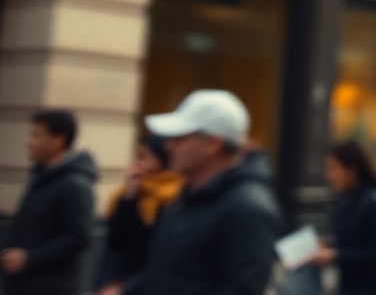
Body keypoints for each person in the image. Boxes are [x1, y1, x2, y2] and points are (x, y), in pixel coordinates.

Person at [123, 89, 282, 295]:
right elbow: (166, 273)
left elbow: (241, 289)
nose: (169, 146)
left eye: (180, 138)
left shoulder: (248, 208)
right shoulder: (189, 194)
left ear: (212, 144)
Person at [0, 109, 96, 295]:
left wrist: (29, 258)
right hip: (23, 285)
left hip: (50, 287)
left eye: (36, 135)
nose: (29, 142)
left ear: (58, 140)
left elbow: (79, 237)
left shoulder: (74, 184)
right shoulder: (43, 177)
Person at [310, 141, 376, 295]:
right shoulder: (347, 201)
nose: (328, 176)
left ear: (351, 170)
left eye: (333, 168)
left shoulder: (373, 204)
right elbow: (354, 239)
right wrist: (328, 245)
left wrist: (335, 255)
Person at [96, 136, 185, 295]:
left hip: (151, 283)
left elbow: (153, 246)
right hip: (121, 279)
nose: (138, 162)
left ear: (162, 158)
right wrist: (129, 196)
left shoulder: (177, 193)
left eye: (145, 156)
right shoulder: (130, 191)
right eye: (138, 156)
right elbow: (117, 240)